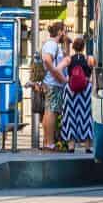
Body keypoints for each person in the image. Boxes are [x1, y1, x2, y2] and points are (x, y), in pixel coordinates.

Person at [61, 36, 94, 153]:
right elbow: (98, 70)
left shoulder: (68, 59)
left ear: (73, 47)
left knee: (70, 116)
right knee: (87, 116)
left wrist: (65, 80)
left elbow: (57, 69)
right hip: (86, 90)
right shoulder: (89, 58)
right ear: (84, 47)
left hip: (71, 90)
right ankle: (87, 147)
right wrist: (89, 79)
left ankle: (71, 147)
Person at [39, 21, 66, 151]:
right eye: (64, 31)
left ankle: (47, 141)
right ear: (60, 31)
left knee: (49, 111)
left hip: (51, 82)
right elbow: (47, 60)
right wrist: (57, 74)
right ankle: (50, 142)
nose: (65, 34)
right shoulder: (52, 44)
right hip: (53, 83)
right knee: (51, 112)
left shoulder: (52, 44)